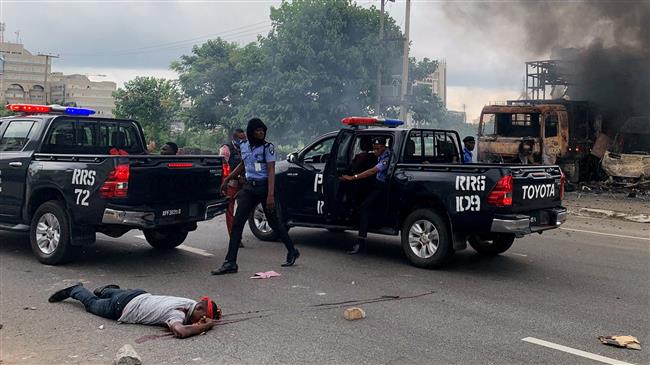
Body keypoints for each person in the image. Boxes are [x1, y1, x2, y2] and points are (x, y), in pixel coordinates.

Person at [211, 118, 300, 275]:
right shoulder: (244, 145)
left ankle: (292, 250)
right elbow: (243, 164)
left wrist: (270, 196)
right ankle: (230, 262)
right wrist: (228, 178)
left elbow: (271, 171)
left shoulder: (268, 148)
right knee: (238, 223)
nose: (260, 133)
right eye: (257, 130)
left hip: (265, 188)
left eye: (262, 130)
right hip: (249, 188)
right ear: (251, 132)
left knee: (274, 223)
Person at [47, 283, 221, 339]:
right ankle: (75, 290)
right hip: (123, 308)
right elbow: (180, 331)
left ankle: (106, 290)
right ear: (197, 308)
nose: (201, 320)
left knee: (111, 294)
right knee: (93, 305)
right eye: (202, 317)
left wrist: (212, 314)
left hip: (137, 294)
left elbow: (206, 307)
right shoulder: (178, 314)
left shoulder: (189, 302)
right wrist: (205, 326)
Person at [340, 136, 391, 255]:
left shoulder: (387, 157)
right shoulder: (379, 155)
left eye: (377, 148)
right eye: (374, 148)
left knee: (364, 207)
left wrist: (353, 177)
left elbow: (373, 171)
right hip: (376, 184)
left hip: (383, 187)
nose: (375, 151)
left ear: (384, 147)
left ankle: (361, 242)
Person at [219, 128, 247, 248]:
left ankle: (237, 234)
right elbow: (223, 167)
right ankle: (234, 237)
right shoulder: (226, 149)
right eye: (241, 138)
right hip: (230, 182)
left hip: (244, 182)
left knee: (244, 210)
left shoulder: (246, 147)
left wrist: (244, 176)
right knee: (229, 210)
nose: (243, 140)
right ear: (234, 138)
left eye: (244, 138)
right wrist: (227, 181)